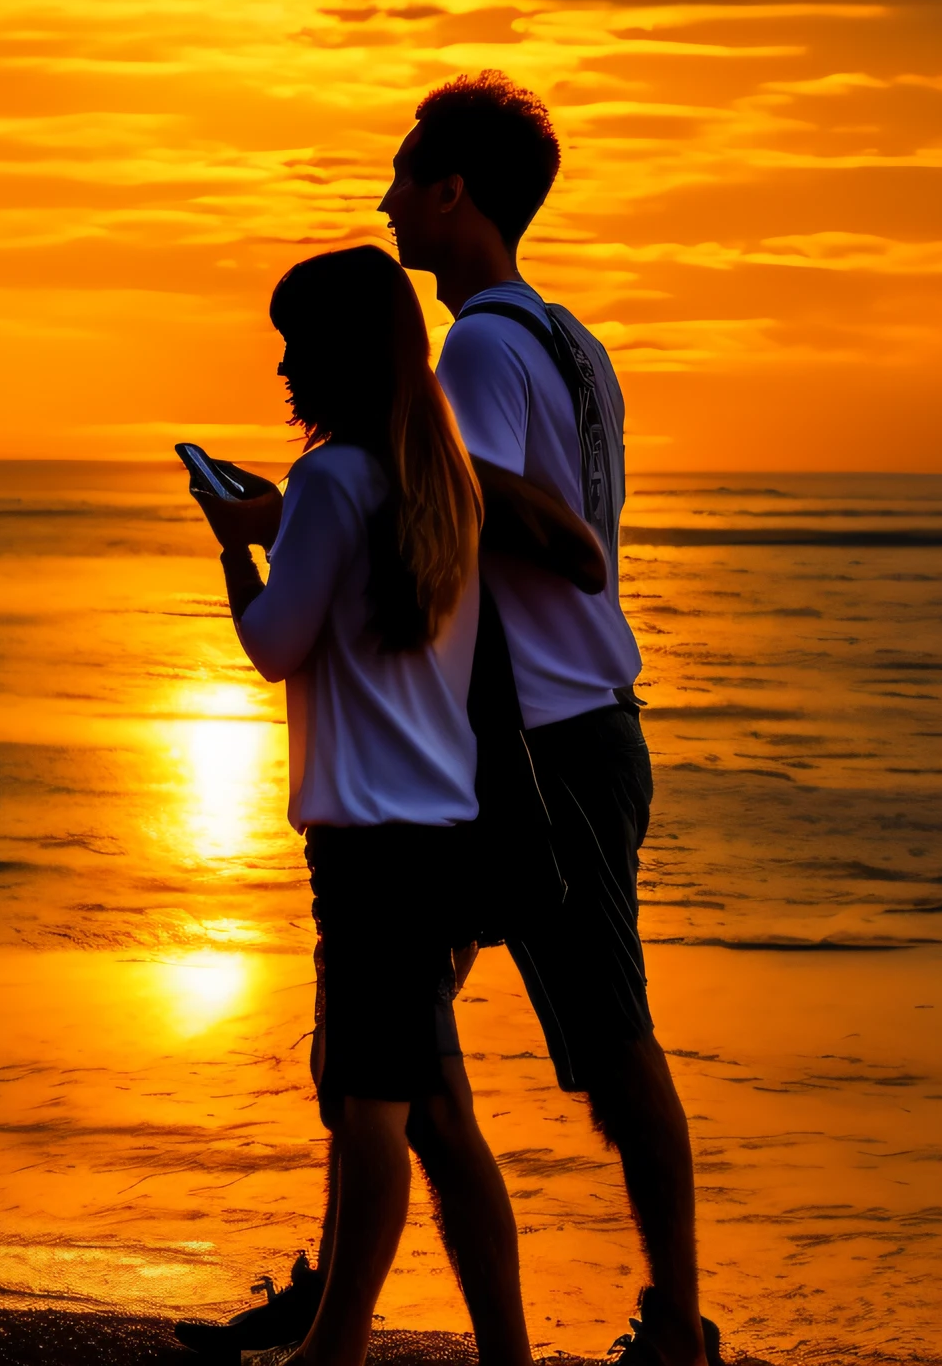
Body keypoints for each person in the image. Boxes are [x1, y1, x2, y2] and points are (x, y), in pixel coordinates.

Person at [180, 76, 720, 1366]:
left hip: (544, 734)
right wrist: (303, 514)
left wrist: (313, 499)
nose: (384, 197)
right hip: (559, 724)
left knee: (592, 1031)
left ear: (452, 190)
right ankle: (349, 1298)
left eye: (403, 174)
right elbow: (429, 503)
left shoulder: (474, 346)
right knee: (388, 1046)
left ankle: (677, 1320)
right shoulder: (568, 336)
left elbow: (456, 494)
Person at [185, 245, 534, 1366]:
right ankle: (503, 1358)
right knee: (427, 1106)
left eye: (294, 340)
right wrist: (281, 528)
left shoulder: (337, 478)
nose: (282, 363)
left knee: (375, 1103)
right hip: (443, 832)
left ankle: (334, 1352)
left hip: (369, 845)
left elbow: (275, 645)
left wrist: (236, 550)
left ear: (336, 350)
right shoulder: (436, 476)